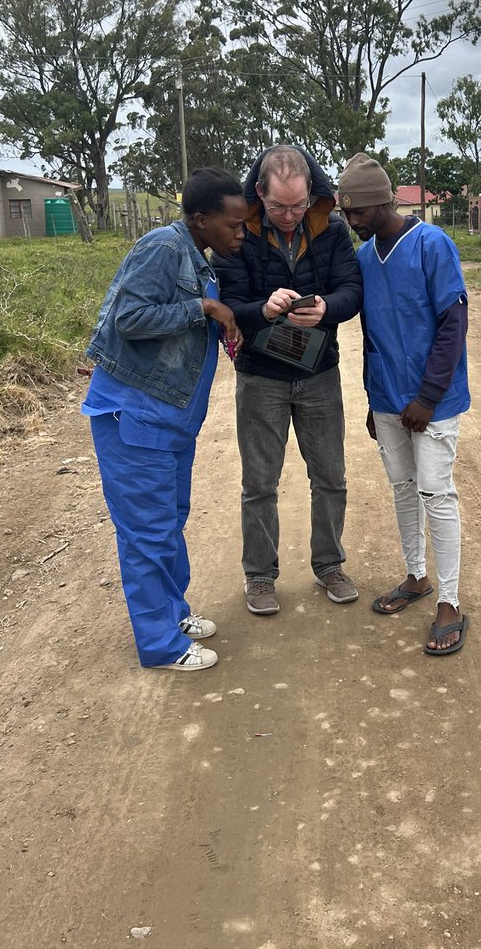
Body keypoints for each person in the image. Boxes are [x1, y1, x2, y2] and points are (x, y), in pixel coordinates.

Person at [82, 168, 247, 672]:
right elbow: (129, 320)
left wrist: (215, 320)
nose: (241, 234)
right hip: (135, 416)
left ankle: (172, 613)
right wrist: (204, 308)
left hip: (169, 421)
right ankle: (160, 645)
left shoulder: (196, 256)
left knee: (168, 522)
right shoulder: (162, 246)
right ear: (201, 219)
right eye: (234, 224)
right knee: (146, 533)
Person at [211, 145, 363, 615]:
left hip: (319, 372)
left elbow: (352, 290)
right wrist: (264, 309)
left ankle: (330, 565)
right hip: (261, 377)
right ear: (259, 192)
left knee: (330, 477)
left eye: (298, 205)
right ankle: (259, 576)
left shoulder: (331, 228)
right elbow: (229, 304)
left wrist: (327, 309)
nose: (290, 215)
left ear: (311, 194)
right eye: (278, 206)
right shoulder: (240, 235)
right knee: (259, 482)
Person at [337, 152, 471, 656]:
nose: (351, 223)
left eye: (357, 213)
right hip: (389, 399)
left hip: (432, 402)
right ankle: (416, 577)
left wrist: (428, 397)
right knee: (402, 488)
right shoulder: (366, 258)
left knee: (436, 493)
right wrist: (377, 402)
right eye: (346, 214)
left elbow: (452, 325)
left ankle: (451, 602)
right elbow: (373, 334)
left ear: (381, 203)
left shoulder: (433, 245)